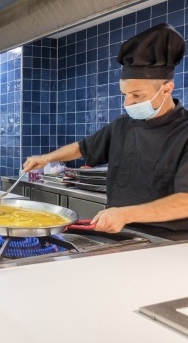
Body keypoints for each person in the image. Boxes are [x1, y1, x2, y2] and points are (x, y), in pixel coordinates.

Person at [23, 23, 188, 237]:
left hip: (167, 242)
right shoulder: (122, 125)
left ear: (166, 89)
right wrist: (46, 158)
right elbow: (83, 148)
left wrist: (125, 214)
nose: (127, 103)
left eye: (137, 95)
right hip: (120, 234)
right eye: (124, 95)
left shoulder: (183, 132)